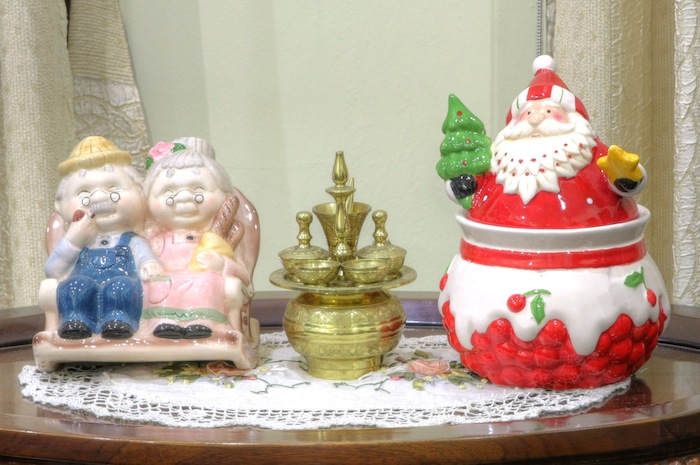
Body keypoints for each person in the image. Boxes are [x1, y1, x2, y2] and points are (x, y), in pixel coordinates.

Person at [462, 55, 646, 229]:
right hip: (493, 240)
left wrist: (626, 178)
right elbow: (472, 190)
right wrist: (462, 186)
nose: (535, 120)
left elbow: (626, 177)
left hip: (594, 240)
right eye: (528, 113)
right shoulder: (498, 158)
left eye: (548, 112)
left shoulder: (590, 150)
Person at [45, 136, 163, 340]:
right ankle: (76, 320)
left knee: (122, 287)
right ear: (61, 205)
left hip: (121, 280)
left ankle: (119, 321)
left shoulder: (132, 240)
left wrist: (149, 263)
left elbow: (145, 257)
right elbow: (53, 270)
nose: (99, 197)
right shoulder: (80, 241)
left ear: (139, 192)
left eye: (113, 189)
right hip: (84, 281)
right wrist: (74, 240)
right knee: (74, 286)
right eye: (84, 193)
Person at [141, 137, 255, 339]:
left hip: (204, 284)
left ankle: (203, 322)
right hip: (165, 284)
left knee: (206, 281)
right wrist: (147, 264)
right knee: (155, 284)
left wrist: (222, 264)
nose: (184, 198)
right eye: (169, 192)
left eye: (198, 190)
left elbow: (244, 275)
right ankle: (163, 322)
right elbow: (140, 260)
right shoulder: (155, 239)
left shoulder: (220, 239)